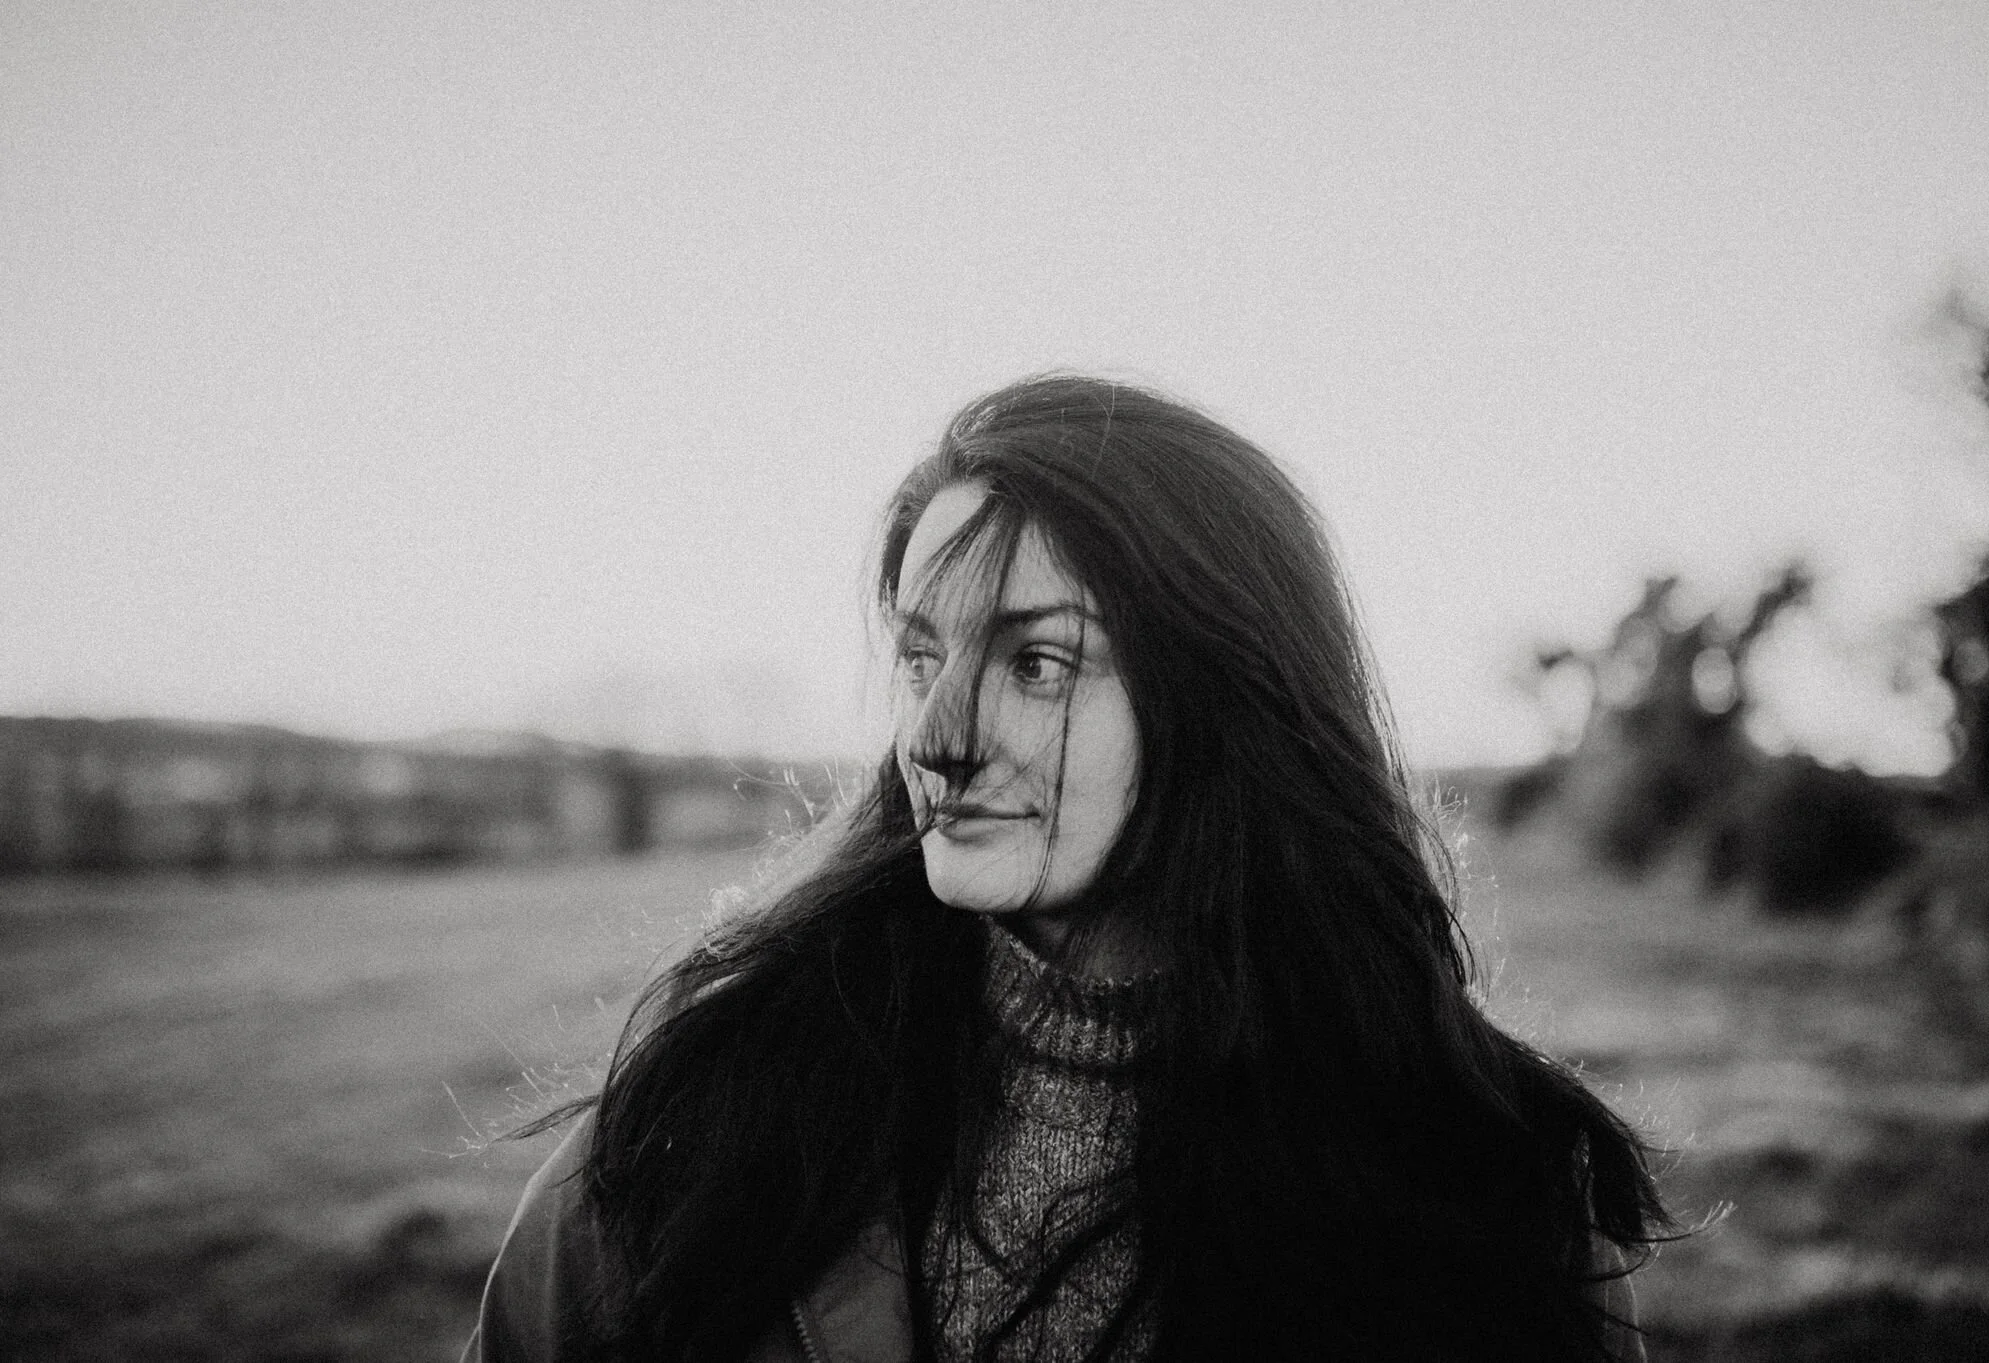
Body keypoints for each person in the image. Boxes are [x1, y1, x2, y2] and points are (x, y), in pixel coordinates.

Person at [465, 375, 1669, 1362]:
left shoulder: (1478, 1177)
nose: (935, 738)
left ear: (1225, 697)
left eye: (1036, 662)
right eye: (920, 658)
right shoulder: (707, 1121)